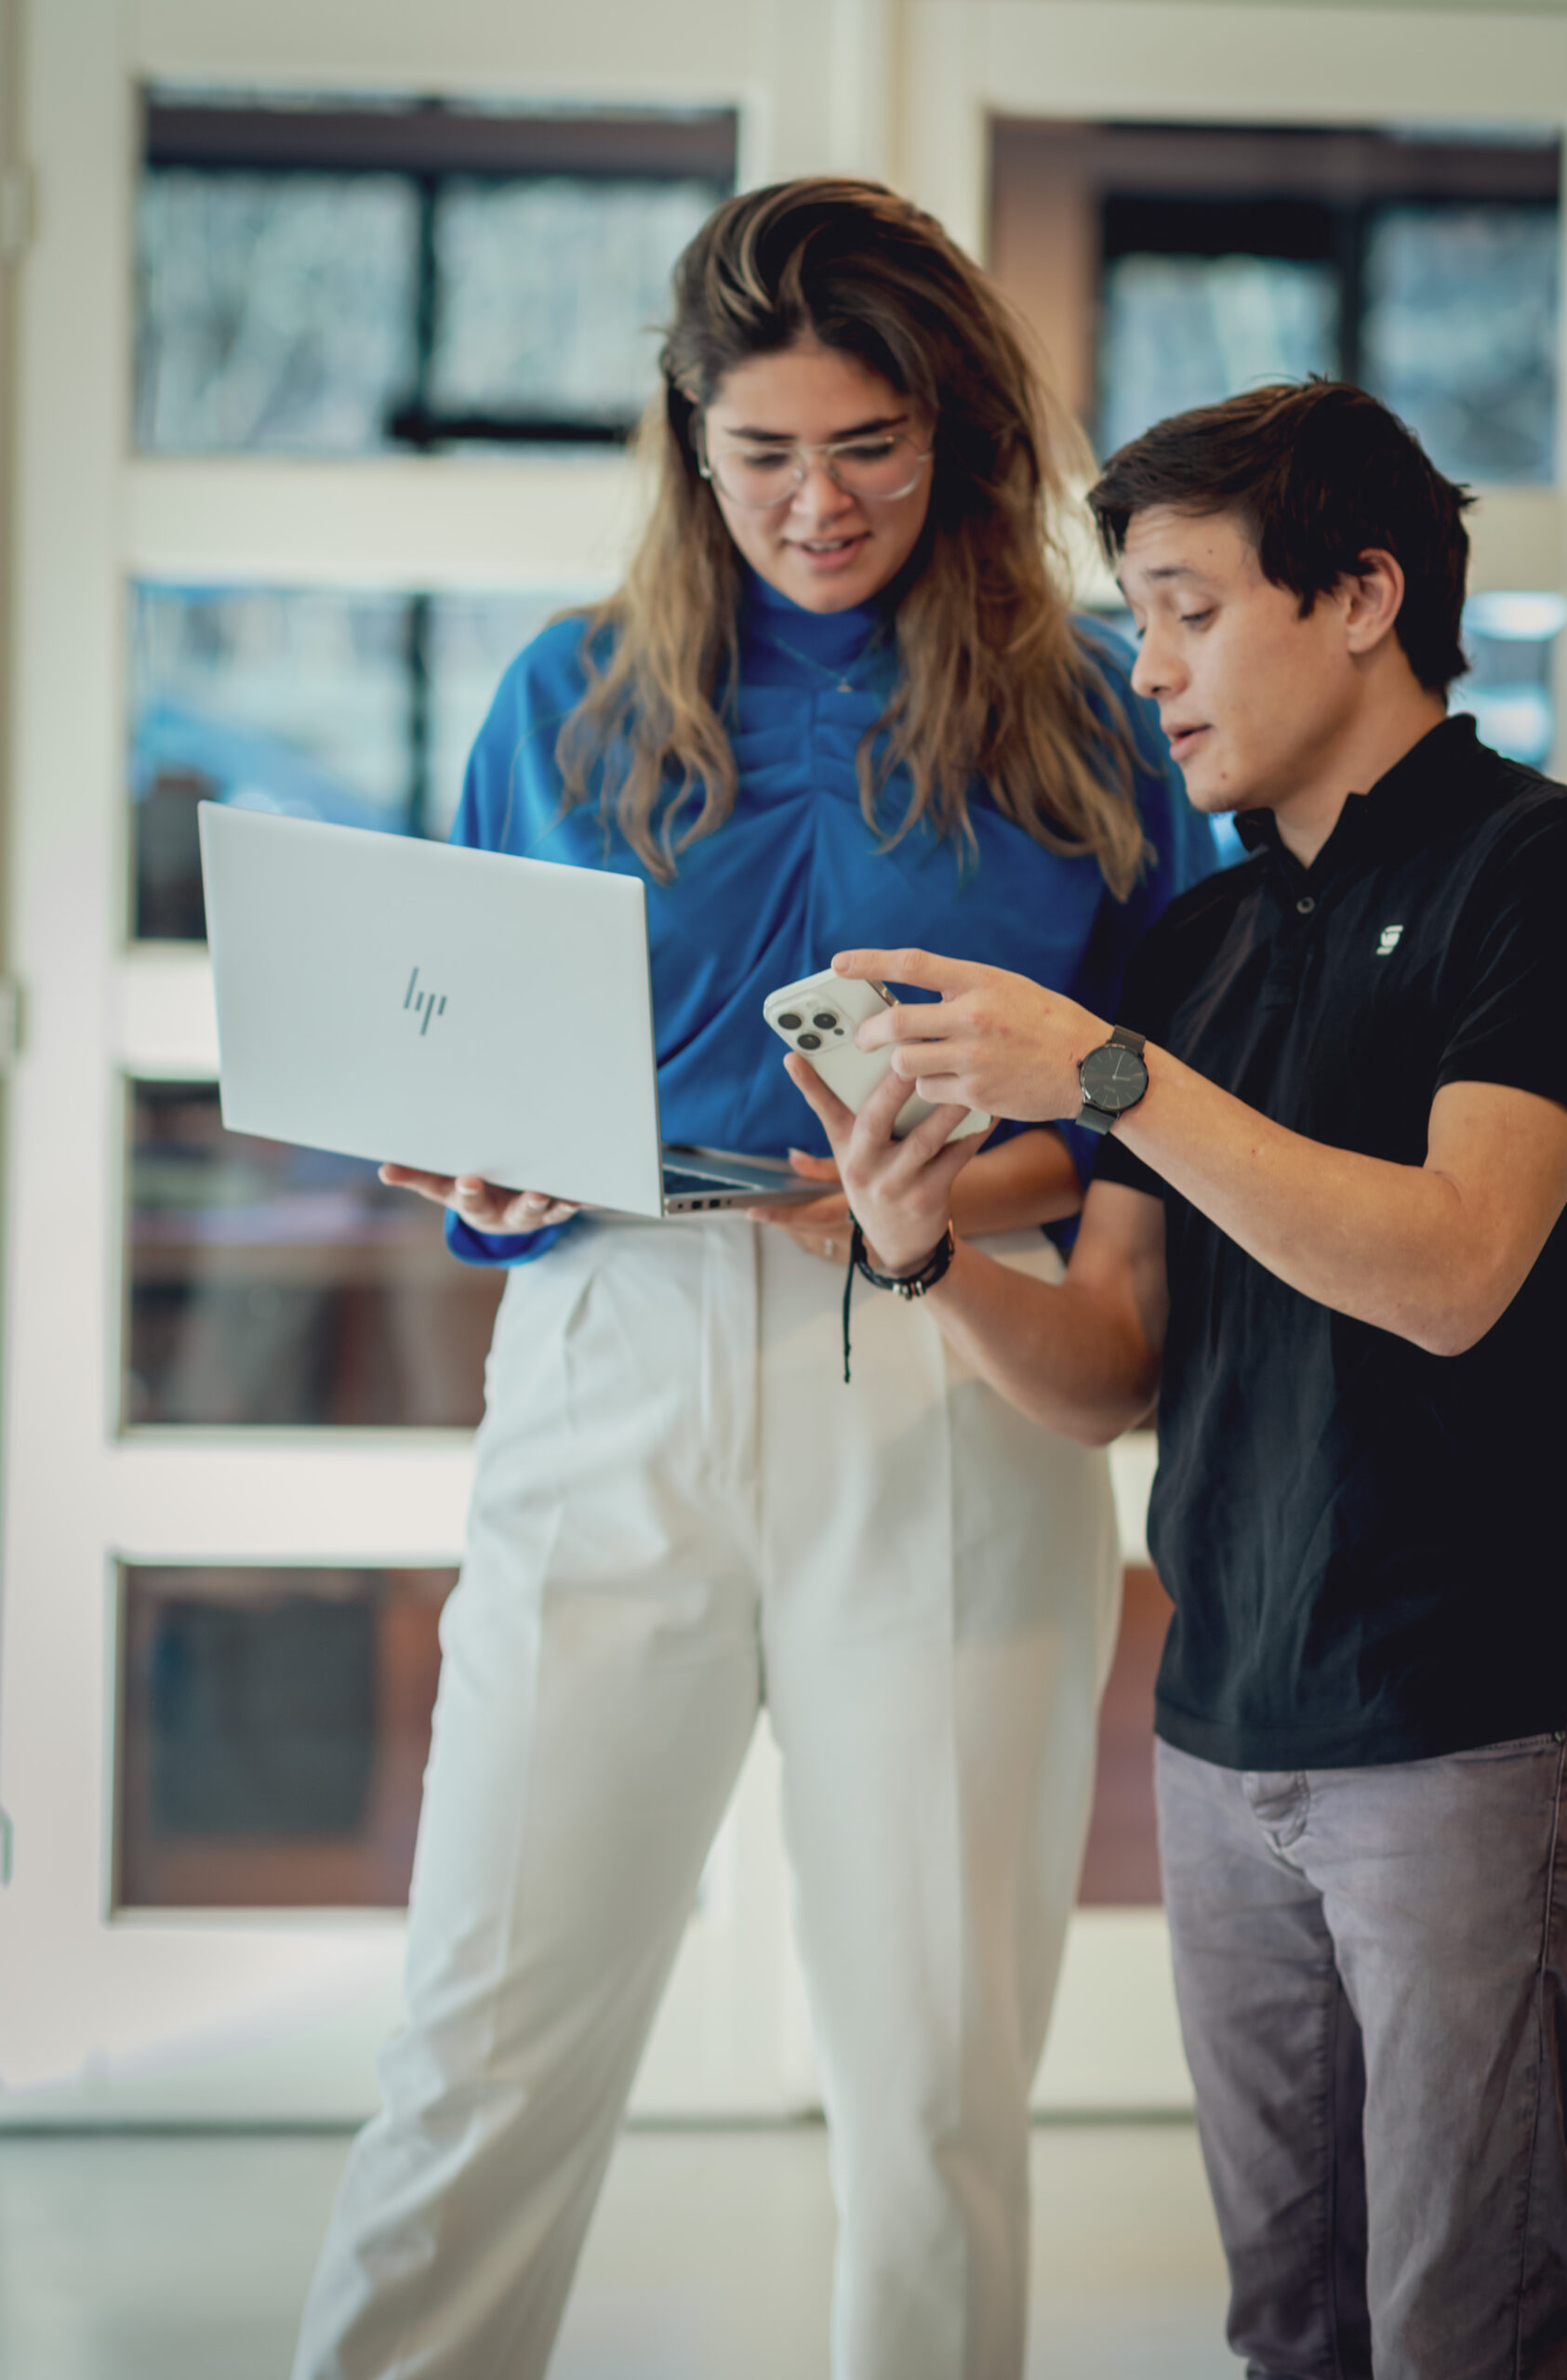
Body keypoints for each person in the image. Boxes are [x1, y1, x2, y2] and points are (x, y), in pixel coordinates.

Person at [290, 178, 1215, 2380]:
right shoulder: (571, 695)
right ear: (688, 450)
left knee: (931, 2084)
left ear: (962, 435)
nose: (817, 503)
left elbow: (1150, 1087)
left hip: (957, 1371)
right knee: (488, 2036)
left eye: (870, 446)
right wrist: (485, 1175)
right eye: (764, 454)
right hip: (621, 1337)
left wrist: (986, 1170)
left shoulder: (1097, 711)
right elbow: (484, 1055)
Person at [791, 379, 1567, 2380]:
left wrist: (1105, 1080)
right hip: (1216, 1727)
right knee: (1288, 2329)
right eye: (1134, 617)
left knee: (1465, 2327)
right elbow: (1110, 1366)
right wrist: (916, 1248)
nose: (1148, 672)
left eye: (1184, 608)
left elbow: (1454, 1267)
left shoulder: (1558, 871)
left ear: (1360, 595)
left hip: (1465, 1733)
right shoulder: (1195, 945)